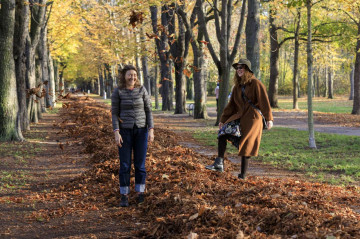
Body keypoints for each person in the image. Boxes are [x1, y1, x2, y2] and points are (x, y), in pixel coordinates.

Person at [205, 58, 273, 179]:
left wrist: (269, 119)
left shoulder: (256, 83)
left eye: (241, 67)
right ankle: (219, 163)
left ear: (247, 69)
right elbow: (231, 105)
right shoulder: (237, 86)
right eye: (237, 68)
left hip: (253, 119)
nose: (238, 70)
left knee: (247, 145)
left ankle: (242, 176)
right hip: (240, 117)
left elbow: (264, 101)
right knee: (223, 133)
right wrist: (223, 120)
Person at [111, 64, 154, 207]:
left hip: (141, 131)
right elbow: (114, 113)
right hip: (125, 131)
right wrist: (116, 132)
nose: (132, 77)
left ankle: (140, 193)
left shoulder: (142, 90)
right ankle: (124, 194)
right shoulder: (118, 92)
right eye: (130, 75)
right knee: (125, 165)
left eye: (134, 75)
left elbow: (148, 111)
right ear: (124, 76)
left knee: (140, 164)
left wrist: (151, 129)